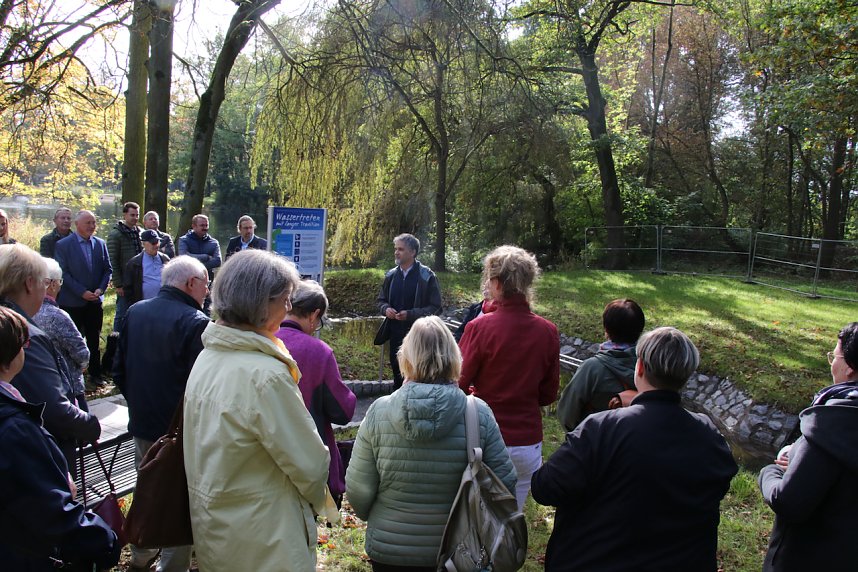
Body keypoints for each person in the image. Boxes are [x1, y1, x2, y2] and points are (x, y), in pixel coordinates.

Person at [532, 326, 738, 571]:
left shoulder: (602, 428)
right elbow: (719, 483)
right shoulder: (709, 435)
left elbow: (545, 487)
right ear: (686, 376)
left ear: (639, 368)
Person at [183, 250, 336, 572]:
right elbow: (310, 464)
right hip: (267, 538)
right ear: (262, 303)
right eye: (285, 299)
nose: (289, 308)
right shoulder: (264, 375)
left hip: (217, 525)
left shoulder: (207, 357)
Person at [347, 316, 516, 571]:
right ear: (454, 357)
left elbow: (359, 489)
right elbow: (505, 481)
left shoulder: (379, 412)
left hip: (391, 547)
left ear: (405, 357)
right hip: (460, 552)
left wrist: (380, 517)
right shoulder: (477, 413)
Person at [0, 306, 120, 571]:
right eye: (25, 343)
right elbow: (51, 512)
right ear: (10, 354)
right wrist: (106, 542)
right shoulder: (15, 428)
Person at [115, 256, 210, 572]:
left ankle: (140, 558)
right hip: (178, 431)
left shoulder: (134, 312)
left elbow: (118, 369)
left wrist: (139, 402)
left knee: (147, 492)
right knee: (177, 502)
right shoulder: (195, 322)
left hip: (142, 424)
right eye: (205, 284)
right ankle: (171, 567)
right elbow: (200, 385)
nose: (207, 292)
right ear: (190, 283)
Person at [459, 245, 559, 510]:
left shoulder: (479, 327)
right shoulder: (548, 331)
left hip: (485, 440)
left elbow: (456, 383)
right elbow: (549, 395)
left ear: (495, 282)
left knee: (478, 520)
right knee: (511, 523)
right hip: (527, 441)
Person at [757, 322, 858, 571]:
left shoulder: (834, 424)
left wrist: (770, 473)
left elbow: (788, 501)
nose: (832, 363)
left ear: (850, 368)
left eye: (833, 357)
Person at [0, 244, 100, 472]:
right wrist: (90, 425)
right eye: (44, 282)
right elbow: (52, 409)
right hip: (38, 460)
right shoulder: (23, 334)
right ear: (29, 283)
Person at [275, 280, 356, 506]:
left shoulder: (264, 340)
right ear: (314, 314)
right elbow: (343, 411)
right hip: (308, 456)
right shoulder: (318, 352)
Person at [556, 298, 646, 431]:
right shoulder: (651, 367)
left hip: (597, 443)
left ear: (606, 330)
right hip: (634, 443)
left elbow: (567, 413)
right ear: (640, 330)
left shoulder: (592, 368)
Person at [376, 233, 442, 389]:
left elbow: (436, 307)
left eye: (401, 249)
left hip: (419, 335)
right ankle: (398, 404)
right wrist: (386, 310)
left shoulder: (427, 276)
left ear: (412, 252)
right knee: (397, 373)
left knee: (418, 373)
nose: (396, 252)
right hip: (395, 334)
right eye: (396, 249)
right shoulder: (391, 275)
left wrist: (411, 314)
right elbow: (380, 301)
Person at [55, 210, 112, 388]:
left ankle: (95, 374)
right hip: (72, 302)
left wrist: (101, 289)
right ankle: (71, 376)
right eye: (88, 222)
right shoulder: (63, 245)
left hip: (94, 301)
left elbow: (107, 269)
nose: (92, 226)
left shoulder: (100, 244)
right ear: (77, 224)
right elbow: (63, 272)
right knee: (72, 340)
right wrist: (82, 292)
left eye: (94, 222)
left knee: (94, 339)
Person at [33, 256, 90, 405]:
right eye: (60, 281)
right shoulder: (57, 316)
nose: (60, 286)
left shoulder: (25, 311)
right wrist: (83, 365)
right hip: (68, 389)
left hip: (38, 388)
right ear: (51, 284)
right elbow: (82, 354)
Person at [107, 201, 142, 332]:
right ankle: (116, 340)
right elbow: (112, 260)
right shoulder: (116, 234)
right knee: (122, 312)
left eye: (137, 215)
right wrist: (118, 283)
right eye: (132, 215)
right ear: (125, 215)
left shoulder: (139, 232)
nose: (135, 218)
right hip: (124, 280)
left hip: (138, 279)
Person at [177, 214, 221, 315]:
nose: (205, 228)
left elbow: (217, 261)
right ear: (194, 226)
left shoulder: (213, 242)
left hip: (207, 282)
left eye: (206, 225)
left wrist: (193, 261)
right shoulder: (184, 240)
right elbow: (184, 257)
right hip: (188, 283)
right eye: (202, 225)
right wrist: (205, 257)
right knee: (187, 310)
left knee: (206, 312)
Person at [124, 229, 170, 306]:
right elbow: (128, 289)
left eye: (157, 242)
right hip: (143, 305)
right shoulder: (134, 263)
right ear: (143, 244)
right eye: (153, 242)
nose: (156, 245)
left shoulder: (165, 259)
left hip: (164, 303)